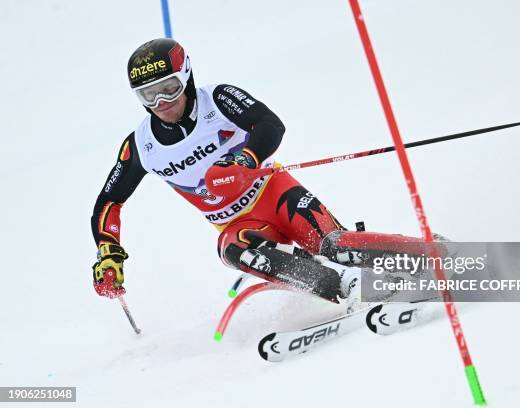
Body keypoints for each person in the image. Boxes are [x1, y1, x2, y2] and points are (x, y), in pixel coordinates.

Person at [91, 38, 434, 305]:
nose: (161, 102)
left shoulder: (220, 99)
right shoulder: (141, 145)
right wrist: (109, 252)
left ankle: (432, 255)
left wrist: (245, 160)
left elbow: (269, 124)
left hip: (275, 192)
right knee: (232, 251)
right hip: (239, 224)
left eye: (169, 88)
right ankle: (344, 286)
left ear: (186, 76)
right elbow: (110, 200)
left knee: (333, 245)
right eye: (148, 95)